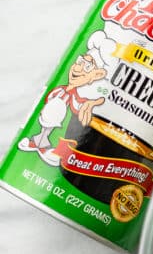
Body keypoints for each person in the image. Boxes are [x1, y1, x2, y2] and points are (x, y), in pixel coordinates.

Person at [19, 30, 114, 167]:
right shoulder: (61, 89)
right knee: (51, 112)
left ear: (97, 75)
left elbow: (82, 106)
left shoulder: (79, 96)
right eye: (79, 62)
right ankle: (37, 141)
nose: (77, 68)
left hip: (67, 128)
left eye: (87, 66)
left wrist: (92, 103)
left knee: (59, 116)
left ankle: (46, 147)